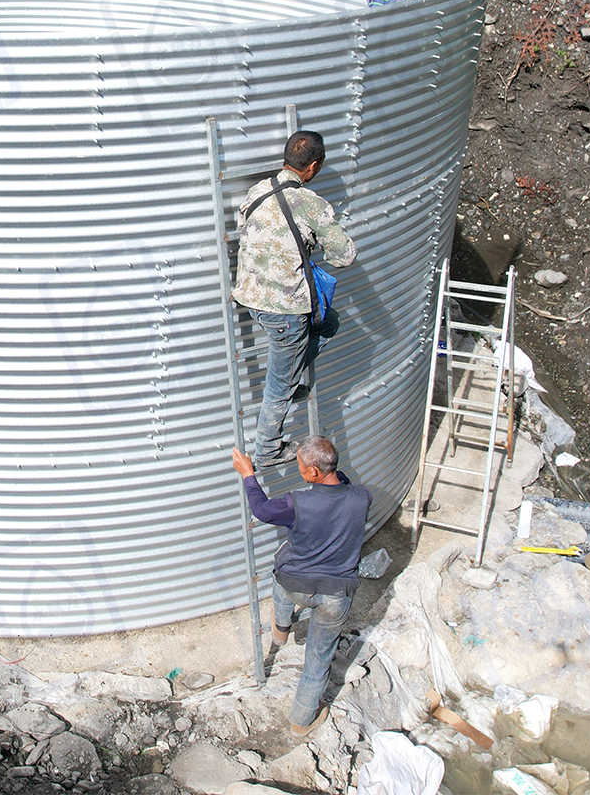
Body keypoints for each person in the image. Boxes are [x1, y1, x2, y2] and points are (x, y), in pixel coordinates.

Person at [231, 436, 372, 738]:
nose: (299, 471)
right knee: (318, 657)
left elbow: (262, 510)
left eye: (301, 467)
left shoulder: (299, 502)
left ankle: (281, 628)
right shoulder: (363, 497)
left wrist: (248, 475)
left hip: (295, 585)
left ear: (314, 474)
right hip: (336, 594)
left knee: (280, 567)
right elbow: (341, 483)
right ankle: (302, 720)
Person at [231, 130, 356, 463]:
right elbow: (345, 256)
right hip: (285, 310)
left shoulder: (257, 191)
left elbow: (244, 224)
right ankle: (269, 447)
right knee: (279, 383)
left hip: (249, 297)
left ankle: (288, 378)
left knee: (328, 321)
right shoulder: (312, 204)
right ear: (312, 167)